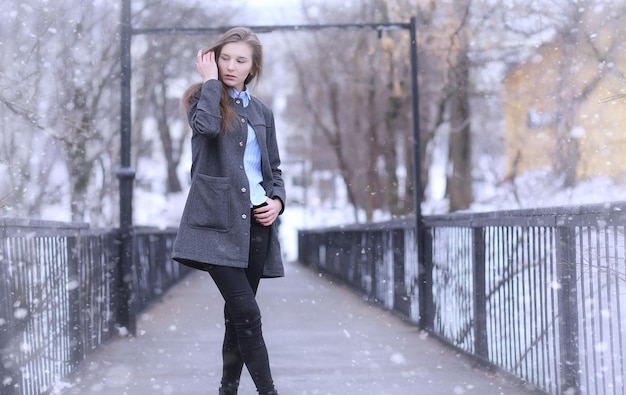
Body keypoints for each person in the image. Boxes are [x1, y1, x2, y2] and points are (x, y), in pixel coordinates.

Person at [172, 27, 284, 395]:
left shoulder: (262, 112)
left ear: (253, 67)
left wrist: (278, 202)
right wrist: (209, 83)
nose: (231, 66)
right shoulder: (199, 99)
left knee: (238, 318)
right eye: (225, 57)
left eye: (241, 60)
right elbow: (205, 128)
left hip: (255, 224)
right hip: (215, 222)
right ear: (212, 59)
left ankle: (227, 390)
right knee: (248, 314)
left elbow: (274, 171)